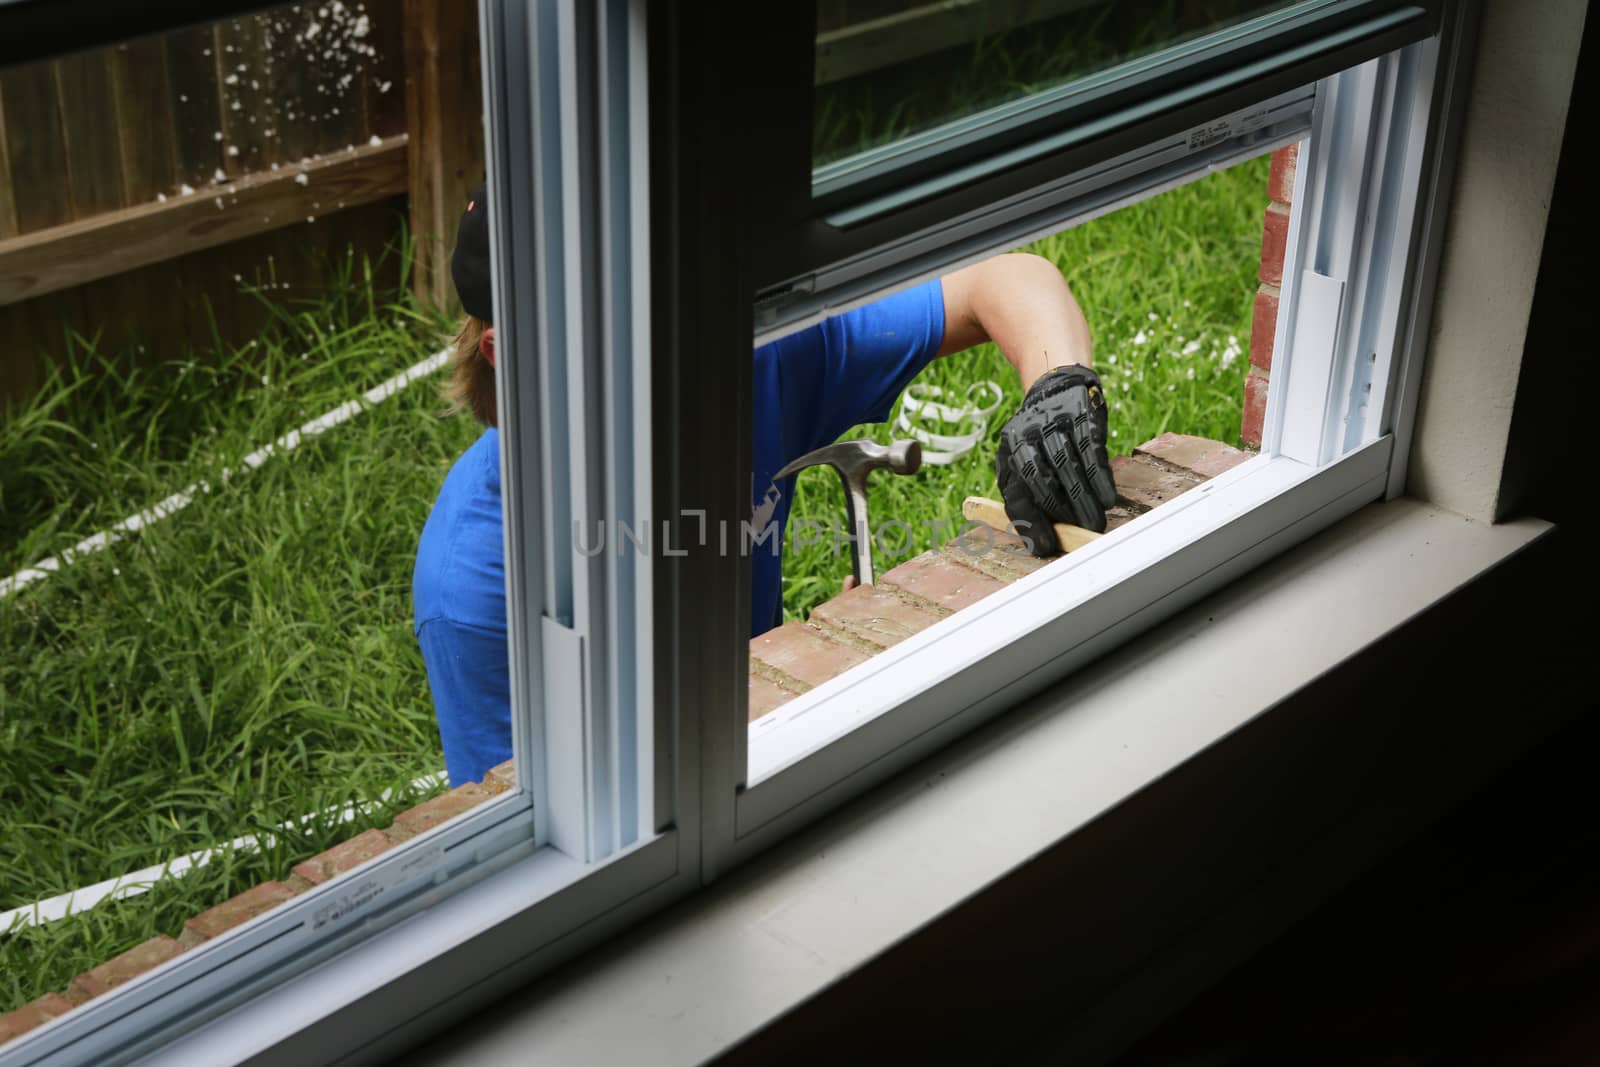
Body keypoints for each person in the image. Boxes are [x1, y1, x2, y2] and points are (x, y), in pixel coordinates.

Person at [414, 181, 1116, 787]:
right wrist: (814, 679)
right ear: (511, 352)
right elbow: (551, 859)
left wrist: (1058, 389)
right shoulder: (480, 582)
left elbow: (1009, 279)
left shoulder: (741, 365)